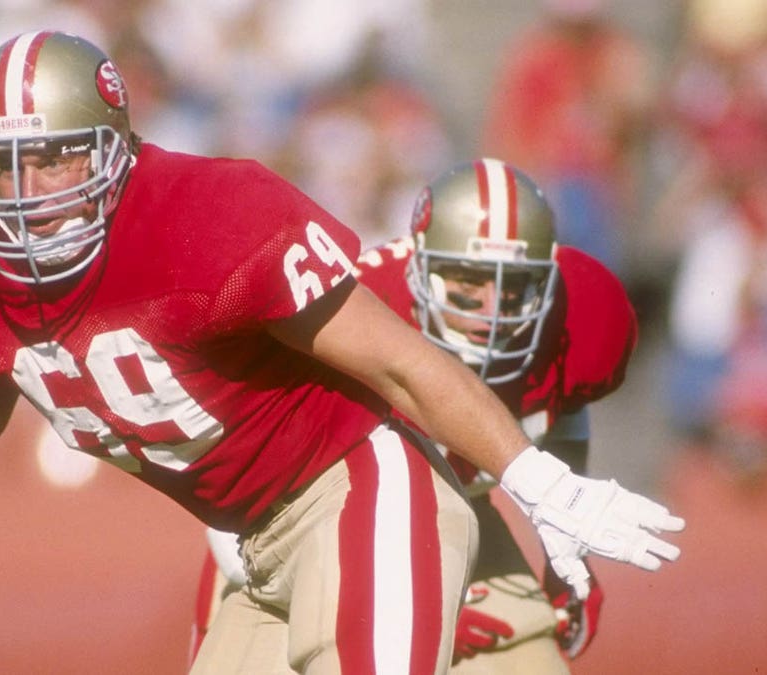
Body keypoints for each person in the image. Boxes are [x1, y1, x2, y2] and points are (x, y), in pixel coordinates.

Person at [0, 31, 684, 674]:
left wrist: (545, 487)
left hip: (361, 489)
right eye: (4, 167)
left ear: (113, 152)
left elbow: (403, 367)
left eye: (53, 160)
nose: (29, 193)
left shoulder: (209, 220)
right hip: (249, 534)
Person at [192, 159, 636, 672]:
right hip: (300, 525)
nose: (491, 308)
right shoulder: (345, 312)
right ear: (420, 269)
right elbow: (234, 518)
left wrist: (567, 547)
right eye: (469, 280)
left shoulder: (581, 311)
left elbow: (559, 409)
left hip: (455, 511)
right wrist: (415, 606)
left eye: (513, 286)